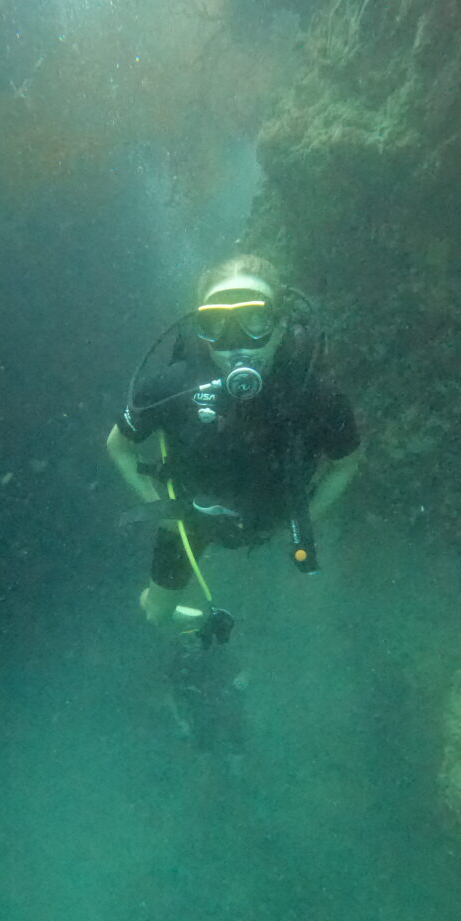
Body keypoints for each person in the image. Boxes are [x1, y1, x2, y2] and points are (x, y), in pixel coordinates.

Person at [106, 254, 360, 635]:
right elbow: (118, 446)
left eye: (254, 320)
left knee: (297, 623)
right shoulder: (172, 387)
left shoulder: (316, 395)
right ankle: (200, 619)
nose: (236, 344)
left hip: (270, 520)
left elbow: (346, 462)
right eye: (216, 325)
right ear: (202, 332)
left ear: (279, 325)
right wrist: (162, 512)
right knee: (156, 613)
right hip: (190, 522)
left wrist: (303, 518)